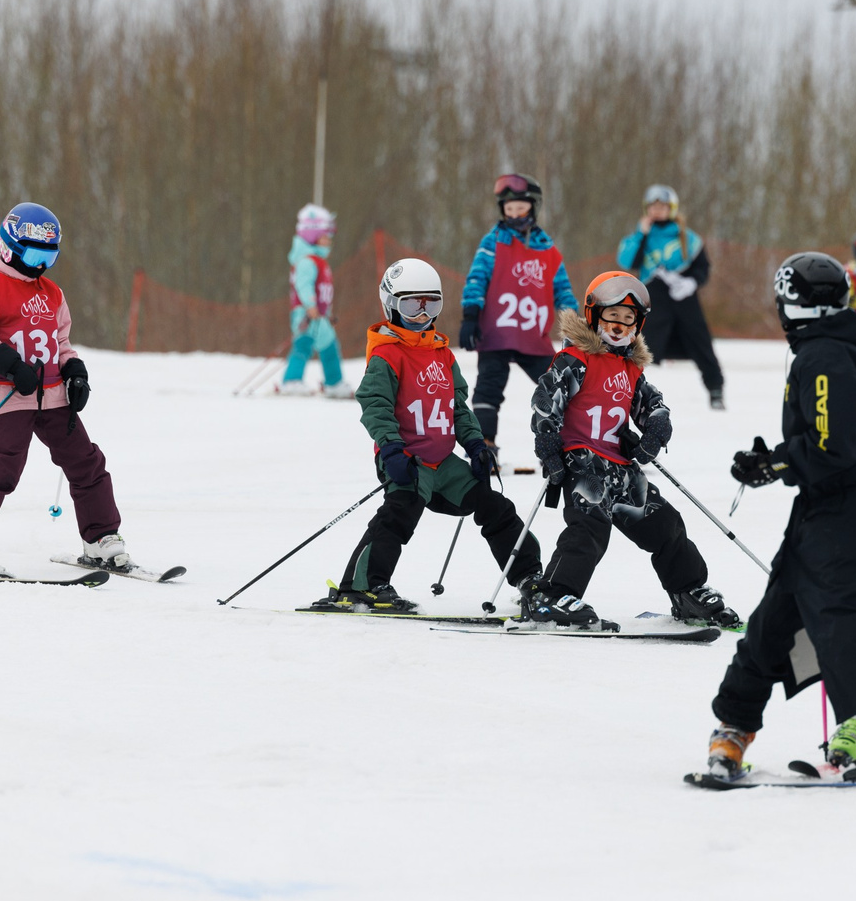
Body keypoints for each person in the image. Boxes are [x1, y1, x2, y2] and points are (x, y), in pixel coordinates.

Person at [704, 253, 856, 781]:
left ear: (795, 306)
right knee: (772, 625)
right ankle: (734, 728)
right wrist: (779, 460)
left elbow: (831, 447)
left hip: (847, 518)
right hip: (829, 513)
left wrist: (774, 462)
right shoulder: (841, 350)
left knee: (852, 627)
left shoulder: (826, 356)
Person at [313, 258, 540, 612]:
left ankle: (529, 577)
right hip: (405, 460)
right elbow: (375, 404)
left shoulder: (441, 353)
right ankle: (362, 587)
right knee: (400, 511)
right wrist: (390, 448)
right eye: (411, 305)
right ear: (391, 305)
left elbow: (458, 407)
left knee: (493, 504)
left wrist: (476, 444)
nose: (421, 314)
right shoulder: (388, 354)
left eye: (430, 304)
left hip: (443, 463)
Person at [523, 272, 740, 631]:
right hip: (582, 462)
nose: (620, 326)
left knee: (666, 526)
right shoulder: (575, 359)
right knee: (589, 529)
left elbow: (653, 406)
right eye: (612, 317)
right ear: (594, 316)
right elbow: (546, 404)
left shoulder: (630, 368)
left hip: (620, 468)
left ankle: (688, 592)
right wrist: (548, 450)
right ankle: (551, 596)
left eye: (629, 320)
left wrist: (655, 430)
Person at [0, 203, 131, 573]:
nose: (40, 265)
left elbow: (61, 343)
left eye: (48, 258)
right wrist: (9, 364)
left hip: (53, 395)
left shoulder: (53, 293)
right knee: (4, 469)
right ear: (11, 247)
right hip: (10, 397)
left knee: (87, 462)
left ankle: (101, 538)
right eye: (35, 255)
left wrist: (75, 373)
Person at [457, 172, 577, 441]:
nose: (515, 214)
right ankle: (484, 444)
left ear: (533, 208)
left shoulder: (548, 250)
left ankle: (573, 440)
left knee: (559, 387)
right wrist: (470, 315)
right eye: (509, 209)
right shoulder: (492, 243)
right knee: (489, 387)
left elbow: (563, 290)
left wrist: (574, 326)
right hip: (497, 333)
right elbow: (477, 278)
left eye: (521, 208)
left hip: (533, 335)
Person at [618, 184, 724, 410]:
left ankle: (716, 391)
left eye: (662, 206)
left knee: (700, 342)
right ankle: (627, 393)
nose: (657, 210)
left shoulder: (688, 237)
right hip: (654, 298)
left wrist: (690, 282)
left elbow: (702, 268)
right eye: (653, 206)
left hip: (684, 298)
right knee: (641, 346)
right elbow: (630, 263)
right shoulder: (640, 236)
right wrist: (642, 234)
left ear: (672, 208)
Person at [279, 203, 349, 396]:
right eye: (326, 237)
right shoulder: (307, 261)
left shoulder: (319, 261)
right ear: (313, 236)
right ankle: (291, 381)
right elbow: (303, 285)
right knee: (303, 344)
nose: (329, 241)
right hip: (306, 314)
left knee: (329, 346)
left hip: (319, 317)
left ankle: (334, 383)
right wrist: (310, 305)